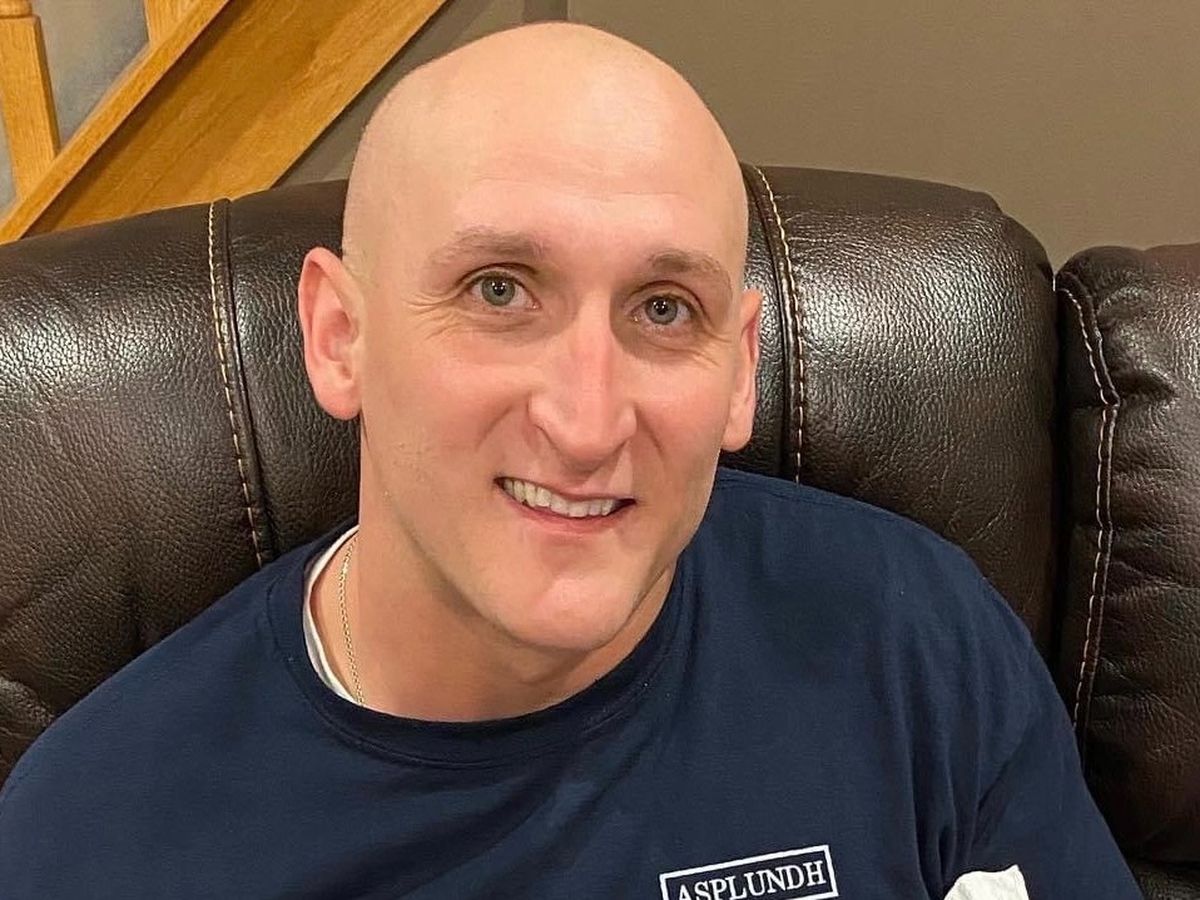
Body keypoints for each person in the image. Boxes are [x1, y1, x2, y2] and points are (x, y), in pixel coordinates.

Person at [0, 22, 1139, 900]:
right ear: (340, 337)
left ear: (741, 371)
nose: (589, 424)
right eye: (498, 291)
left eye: (664, 307)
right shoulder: (99, 835)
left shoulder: (914, 642)